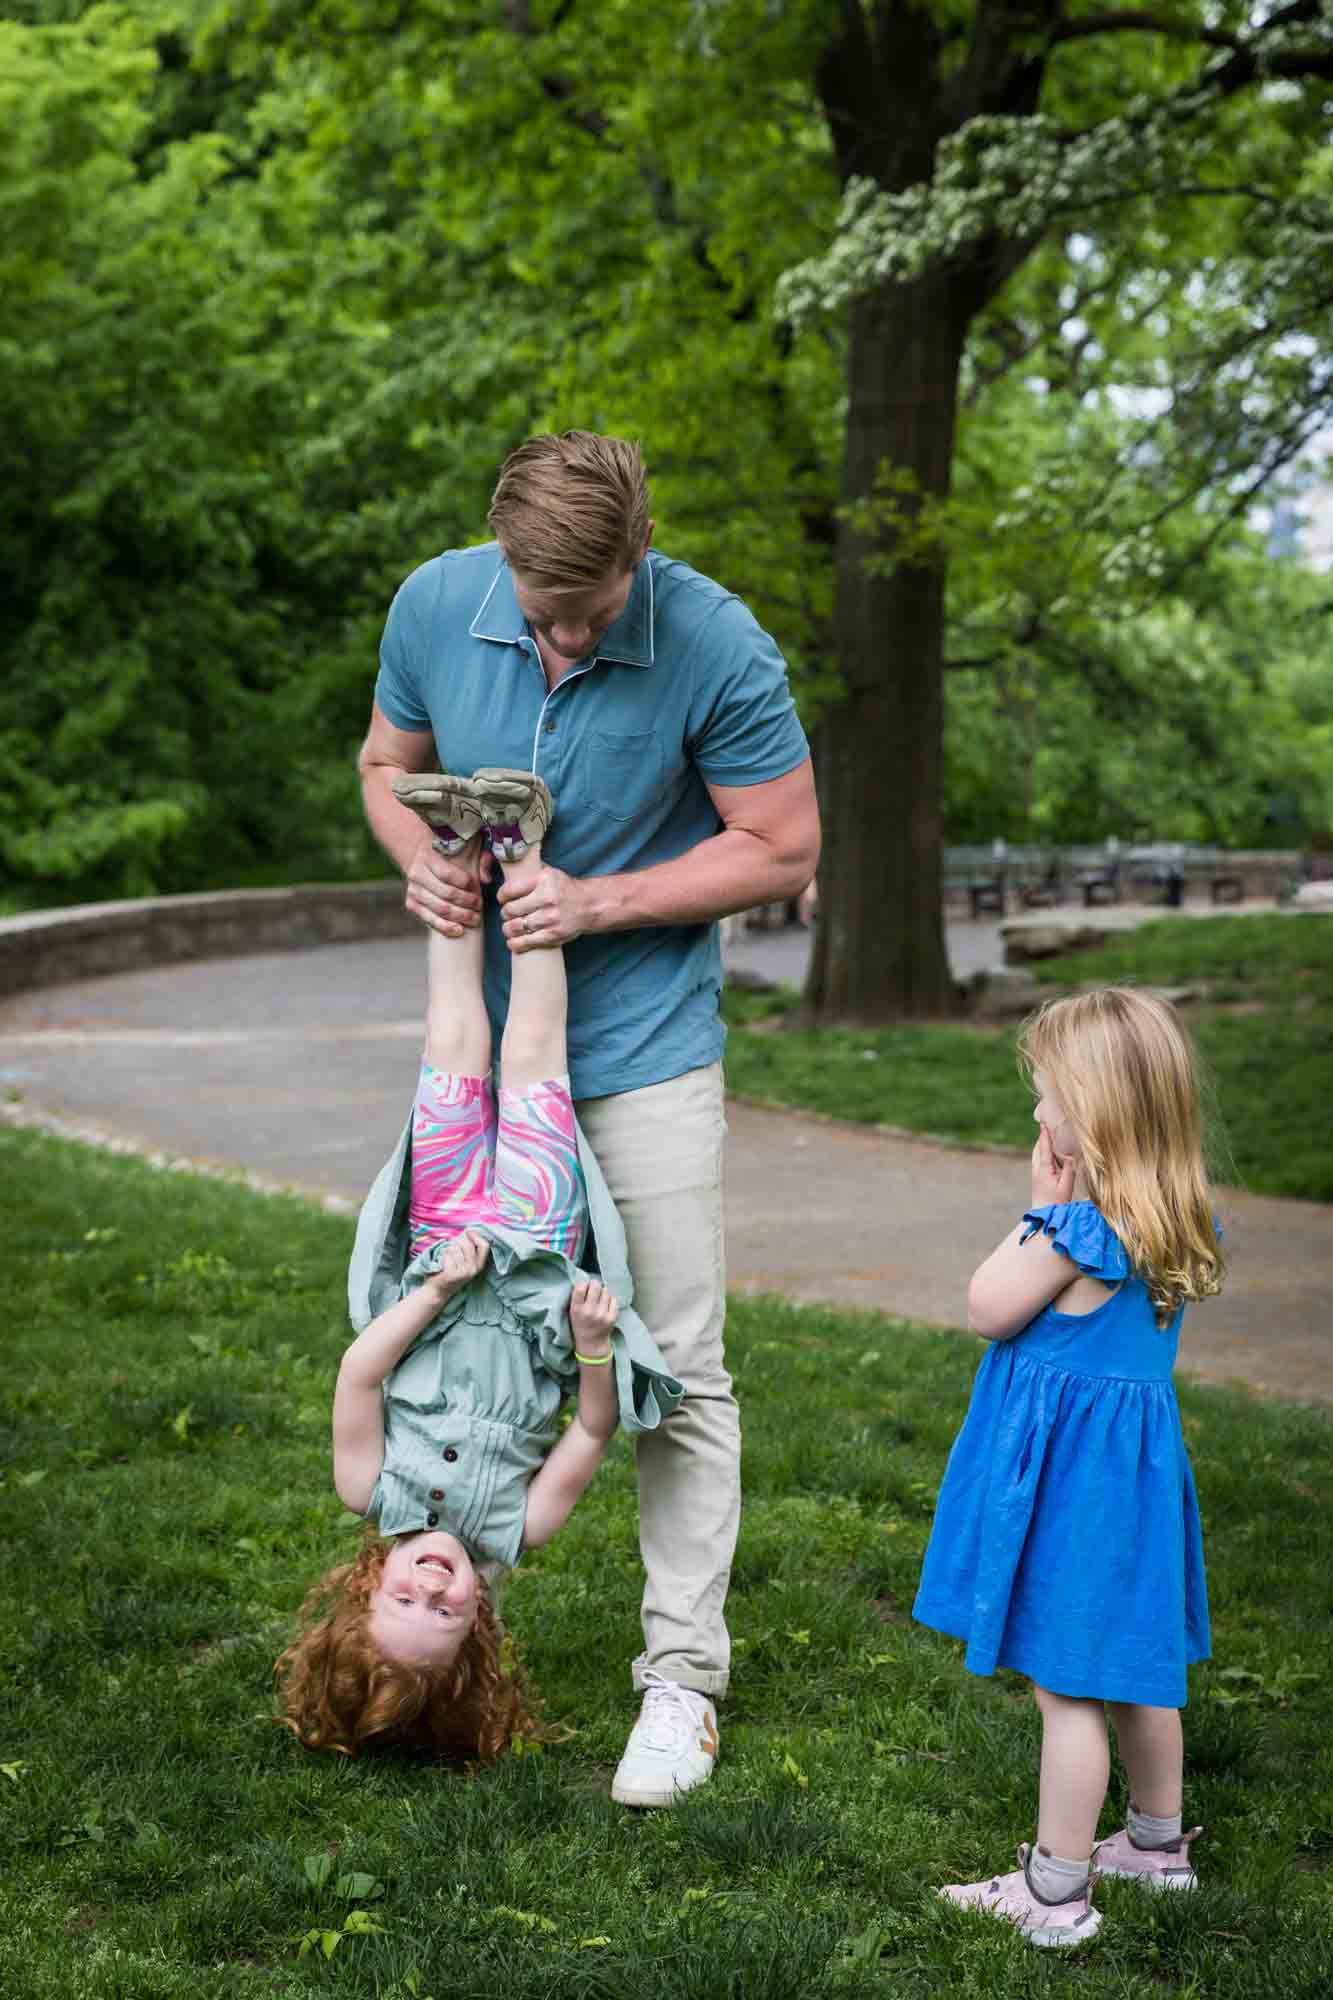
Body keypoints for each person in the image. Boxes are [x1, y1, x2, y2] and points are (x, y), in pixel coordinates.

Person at [356, 431, 819, 1804]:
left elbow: (784, 847)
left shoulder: (721, 645)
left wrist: (599, 900)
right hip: (475, 1058)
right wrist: (417, 869)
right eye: (537, 607)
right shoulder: (436, 602)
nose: (558, 633)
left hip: (645, 1053)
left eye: (590, 609)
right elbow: (387, 762)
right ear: (500, 554)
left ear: (638, 557)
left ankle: (682, 1683)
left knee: (677, 1361)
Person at [276, 770, 682, 1763]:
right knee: (535, 1053)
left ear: (366, 1585)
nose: (433, 1583)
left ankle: (455, 851)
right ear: (481, 1628)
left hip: (445, 1251)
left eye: (405, 1596)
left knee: (454, 1041)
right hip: (536, 1263)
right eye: (445, 1611)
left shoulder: (365, 1486)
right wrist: (592, 1342)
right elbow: (593, 1425)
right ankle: (521, 850)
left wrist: (434, 1288)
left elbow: (359, 1371)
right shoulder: (522, 1526)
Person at [912, 987, 1224, 1948]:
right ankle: (1156, 1847)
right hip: (1132, 1488)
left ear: (1095, 1116)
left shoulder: (1077, 1232)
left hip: (1069, 1492)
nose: (1036, 1115)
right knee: (1140, 1666)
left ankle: (1054, 1892)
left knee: (1066, 1685)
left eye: (1048, 1097)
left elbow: (986, 1307)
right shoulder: (1172, 1217)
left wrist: (1036, 1214)